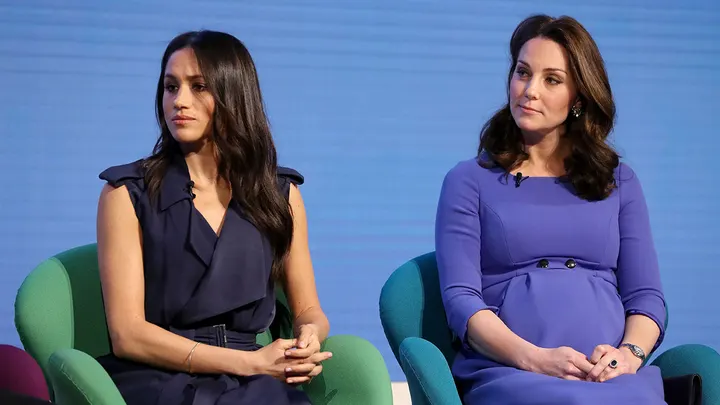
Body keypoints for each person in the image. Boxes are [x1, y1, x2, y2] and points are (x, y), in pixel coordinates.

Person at [435, 14, 667, 404]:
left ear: (578, 98)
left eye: (551, 80)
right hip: (512, 372)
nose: (530, 90)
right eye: (523, 73)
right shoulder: (468, 181)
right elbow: (461, 301)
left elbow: (646, 297)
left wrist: (628, 357)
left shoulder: (618, 181)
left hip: (609, 379)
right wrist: (535, 359)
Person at [95, 30, 331, 405]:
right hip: (162, 377)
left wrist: (309, 336)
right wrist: (248, 363)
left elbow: (309, 310)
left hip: (256, 378)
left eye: (198, 86)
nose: (179, 101)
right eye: (171, 87)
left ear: (234, 94)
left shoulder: (280, 194)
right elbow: (128, 335)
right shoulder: (126, 192)